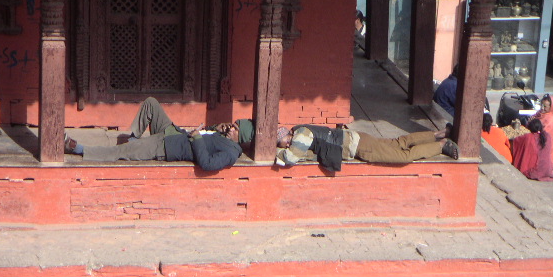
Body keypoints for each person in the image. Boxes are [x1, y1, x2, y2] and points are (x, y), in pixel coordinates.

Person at [65, 97, 247, 172]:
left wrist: (197, 137)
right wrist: (216, 128)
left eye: (235, 130)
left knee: (122, 152)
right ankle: (134, 139)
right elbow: (209, 135)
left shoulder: (230, 153)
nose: (231, 129)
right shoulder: (224, 137)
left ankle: (80, 149)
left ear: (243, 138)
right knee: (151, 103)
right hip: (174, 133)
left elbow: (208, 164)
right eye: (232, 126)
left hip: (167, 146)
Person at [275, 124, 458, 172]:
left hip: (360, 148)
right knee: (399, 142)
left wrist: (278, 153)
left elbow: (290, 158)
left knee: (404, 156)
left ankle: (441, 145)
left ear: (288, 135)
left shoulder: (301, 135)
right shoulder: (302, 130)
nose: (289, 145)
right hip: (360, 138)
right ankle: (440, 133)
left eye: (286, 142)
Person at [526, 94, 553, 171]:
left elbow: (543, 135)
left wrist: (532, 125)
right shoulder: (540, 113)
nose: (542, 108)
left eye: (545, 106)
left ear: (550, 107)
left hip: (545, 146)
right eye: (541, 105)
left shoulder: (550, 120)